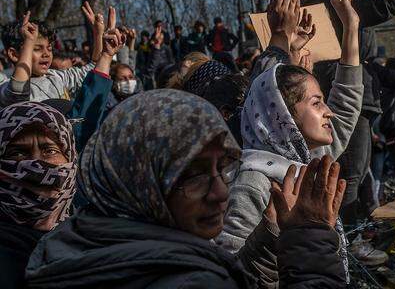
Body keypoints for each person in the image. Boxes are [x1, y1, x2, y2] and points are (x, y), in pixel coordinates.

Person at [26, 90, 347, 288]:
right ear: (137, 181)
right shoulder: (188, 278)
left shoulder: (68, 243)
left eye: (222, 168)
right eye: (192, 176)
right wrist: (312, 239)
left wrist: (267, 239)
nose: (221, 192)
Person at [218, 0, 363, 284]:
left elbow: (347, 102)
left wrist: (351, 26)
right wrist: (273, 230)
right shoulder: (255, 182)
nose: (330, 112)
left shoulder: (309, 162)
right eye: (317, 103)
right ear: (282, 114)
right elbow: (232, 270)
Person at [303, 0, 395, 255]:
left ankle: (352, 235)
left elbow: (368, 61)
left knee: (357, 173)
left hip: (358, 98)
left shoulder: (333, 7)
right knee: (350, 173)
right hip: (347, 98)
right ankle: (346, 243)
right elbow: (385, 8)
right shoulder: (336, 6)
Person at [0, 101, 77, 289]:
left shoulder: (89, 230)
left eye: (49, 150)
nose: (36, 163)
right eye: (18, 153)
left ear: (71, 158)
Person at [0, 9, 107, 106]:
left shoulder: (56, 77)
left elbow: (92, 69)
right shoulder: (5, 87)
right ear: (14, 55)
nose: (46, 54)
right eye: (36, 48)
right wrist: (29, 42)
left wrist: (98, 35)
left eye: (49, 48)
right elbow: (18, 91)